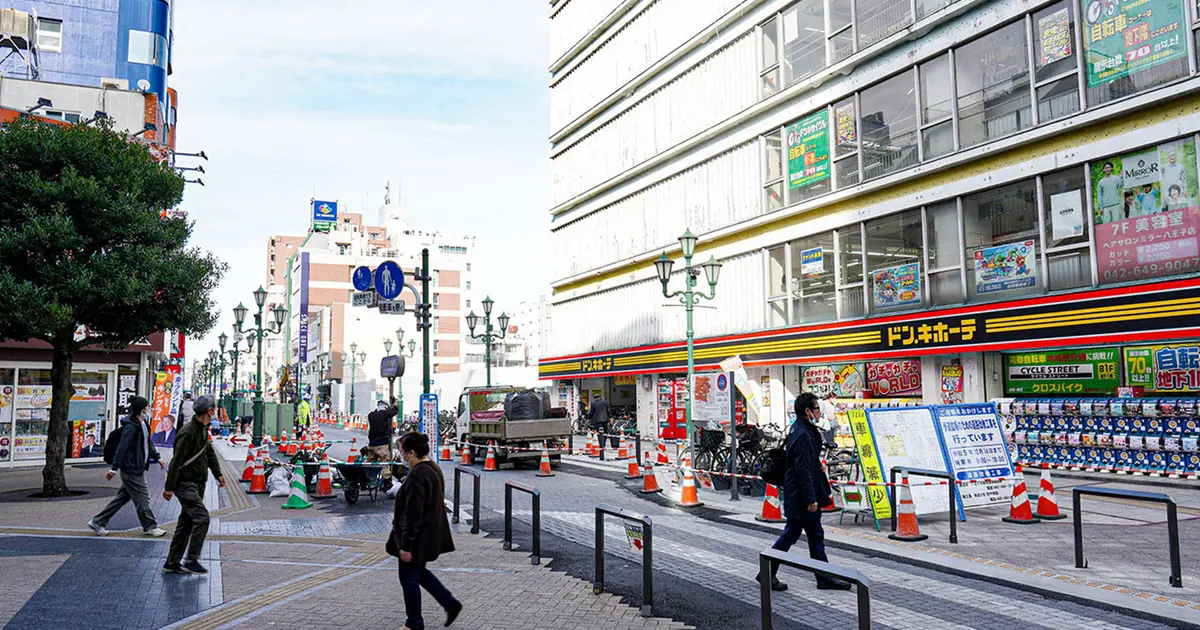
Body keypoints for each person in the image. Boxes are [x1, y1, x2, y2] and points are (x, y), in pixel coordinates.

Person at [757, 393, 852, 592]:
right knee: (795, 533)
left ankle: (822, 577)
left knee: (812, 534)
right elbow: (802, 469)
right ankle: (768, 573)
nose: (820, 411)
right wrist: (811, 498)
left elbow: (806, 464)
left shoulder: (801, 429)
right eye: (817, 408)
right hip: (801, 495)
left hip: (800, 492)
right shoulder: (803, 434)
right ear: (808, 411)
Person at [391, 432, 462, 629]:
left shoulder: (418, 475)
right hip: (427, 535)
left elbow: (413, 514)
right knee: (418, 573)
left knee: (408, 579)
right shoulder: (432, 469)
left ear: (412, 453)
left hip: (417, 539)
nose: (401, 456)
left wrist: (405, 545)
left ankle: (414, 623)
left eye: (402, 452)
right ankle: (450, 603)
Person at [162, 395, 226, 574]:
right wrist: (169, 486)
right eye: (214, 408)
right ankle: (192, 558)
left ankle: (172, 562)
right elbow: (176, 460)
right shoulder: (188, 432)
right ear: (209, 411)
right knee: (202, 517)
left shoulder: (202, 429)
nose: (216, 411)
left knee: (187, 521)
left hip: (198, 482)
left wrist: (218, 473)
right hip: (185, 483)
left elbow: (209, 452)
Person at [88, 396, 166, 537]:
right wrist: (114, 468)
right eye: (148, 406)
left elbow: (148, 443)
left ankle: (98, 521)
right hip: (131, 468)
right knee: (143, 497)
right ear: (142, 410)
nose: (149, 408)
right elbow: (122, 448)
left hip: (137, 467)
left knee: (121, 499)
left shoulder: (143, 424)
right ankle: (150, 526)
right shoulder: (131, 427)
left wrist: (157, 456)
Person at [368, 398, 399, 481]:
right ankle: (387, 482)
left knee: (370, 463)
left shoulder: (371, 415)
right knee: (385, 463)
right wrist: (395, 403)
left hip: (371, 444)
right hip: (381, 444)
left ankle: (369, 481)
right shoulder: (384, 414)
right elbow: (395, 411)